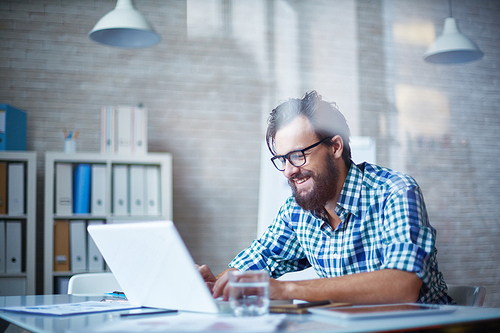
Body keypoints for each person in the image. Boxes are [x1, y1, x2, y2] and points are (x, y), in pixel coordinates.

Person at [198, 90, 454, 305]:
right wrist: (217, 283)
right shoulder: (297, 212)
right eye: (282, 159)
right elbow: (258, 261)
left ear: (335, 147)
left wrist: (286, 289)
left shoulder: (395, 192)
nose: (288, 170)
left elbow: (403, 285)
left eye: (298, 155)